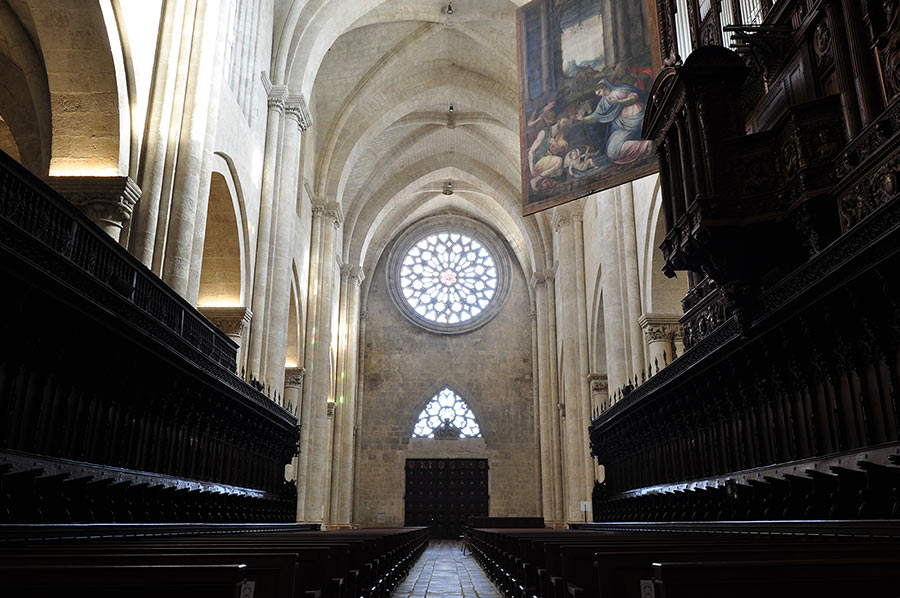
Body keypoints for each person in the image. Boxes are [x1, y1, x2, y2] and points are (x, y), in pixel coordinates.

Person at [578, 79, 653, 165]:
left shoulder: (619, 90)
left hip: (636, 117)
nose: (599, 95)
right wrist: (583, 119)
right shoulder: (603, 102)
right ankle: (644, 145)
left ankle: (646, 146)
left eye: (599, 92)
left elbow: (634, 97)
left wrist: (619, 102)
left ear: (604, 87)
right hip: (621, 126)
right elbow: (595, 116)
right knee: (611, 153)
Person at [528, 117, 570, 190]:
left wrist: (555, 143)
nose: (564, 125)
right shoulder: (544, 132)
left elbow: (560, 149)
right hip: (538, 160)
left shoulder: (559, 134)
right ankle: (535, 180)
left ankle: (543, 180)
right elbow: (530, 152)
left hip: (547, 159)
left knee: (559, 172)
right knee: (559, 161)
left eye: (566, 123)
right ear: (558, 121)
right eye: (563, 122)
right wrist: (532, 169)